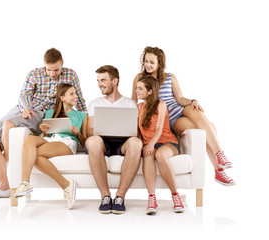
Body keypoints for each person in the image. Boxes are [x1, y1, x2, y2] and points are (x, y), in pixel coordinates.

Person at [0, 48, 87, 200]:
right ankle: (3, 185)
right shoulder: (34, 73)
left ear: (62, 64)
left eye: (56, 69)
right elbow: (24, 94)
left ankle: (5, 165)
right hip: (25, 108)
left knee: (8, 125)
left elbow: (80, 98)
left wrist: (87, 117)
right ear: (44, 65)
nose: (52, 73)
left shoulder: (71, 74)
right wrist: (25, 108)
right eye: (49, 69)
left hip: (41, 112)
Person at [131, 46, 235, 186]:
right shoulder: (140, 78)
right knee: (209, 128)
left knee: (200, 115)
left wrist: (193, 101)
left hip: (180, 108)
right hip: (172, 119)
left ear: (159, 63)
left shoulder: (170, 77)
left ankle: (220, 154)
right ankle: (218, 170)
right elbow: (133, 101)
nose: (148, 65)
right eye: (146, 61)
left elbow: (180, 99)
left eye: (152, 62)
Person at [14, 83, 88, 209]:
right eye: (72, 94)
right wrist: (43, 130)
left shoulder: (82, 115)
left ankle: (26, 183)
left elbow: (85, 142)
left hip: (67, 142)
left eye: (75, 94)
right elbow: (46, 134)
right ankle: (27, 183)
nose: (76, 96)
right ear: (62, 97)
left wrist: (78, 133)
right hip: (50, 139)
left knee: (32, 153)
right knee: (28, 140)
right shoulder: (49, 113)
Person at [85, 65, 143, 214]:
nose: (99, 84)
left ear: (115, 81)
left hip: (122, 143)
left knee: (136, 143)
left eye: (103, 80)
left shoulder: (130, 104)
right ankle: (105, 196)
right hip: (102, 143)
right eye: (98, 81)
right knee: (92, 141)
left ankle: (120, 197)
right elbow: (91, 130)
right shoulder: (94, 103)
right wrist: (105, 128)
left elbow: (135, 132)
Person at [136, 75, 184, 214]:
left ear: (150, 91)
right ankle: (152, 199)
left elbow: (159, 128)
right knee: (148, 156)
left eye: (140, 88)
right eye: (137, 88)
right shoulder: (139, 107)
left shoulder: (161, 104)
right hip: (149, 144)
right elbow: (137, 130)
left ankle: (175, 196)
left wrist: (151, 144)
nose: (137, 91)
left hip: (167, 142)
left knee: (161, 154)